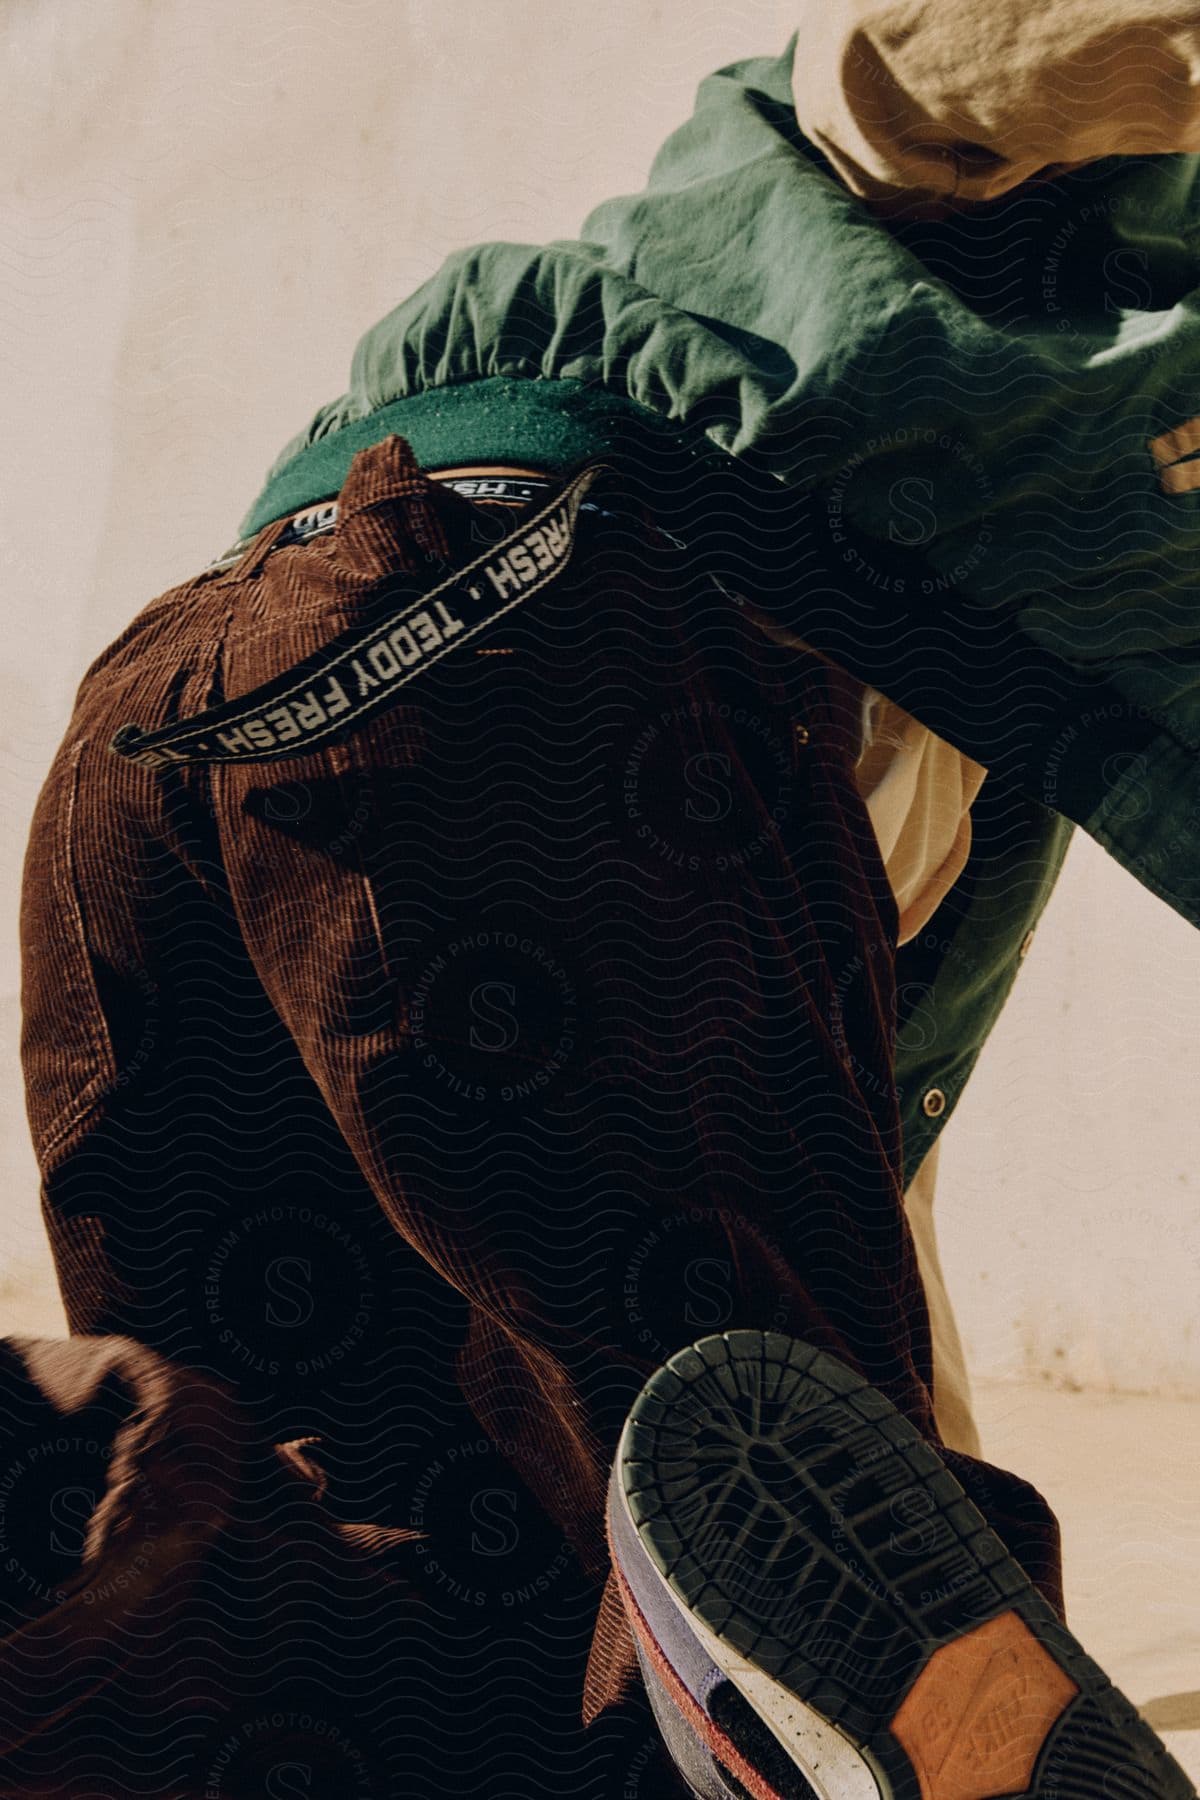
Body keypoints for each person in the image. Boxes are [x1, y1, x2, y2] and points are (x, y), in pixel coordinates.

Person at [10, 4, 1200, 1795]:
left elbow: (802, 1451)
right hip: (523, 664)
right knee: (836, 1666)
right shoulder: (1092, 194)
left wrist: (929, 1559)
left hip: (199, 728)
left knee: (326, 1620)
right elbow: (888, 79)